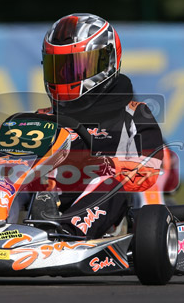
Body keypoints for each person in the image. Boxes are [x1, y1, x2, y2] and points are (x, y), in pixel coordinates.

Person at [31, 13, 165, 238]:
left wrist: (102, 164)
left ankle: (66, 232)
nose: (65, 75)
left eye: (76, 67)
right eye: (59, 67)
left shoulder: (134, 114)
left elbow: (149, 168)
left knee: (111, 182)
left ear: (106, 62)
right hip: (46, 197)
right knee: (2, 176)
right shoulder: (42, 118)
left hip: (108, 215)